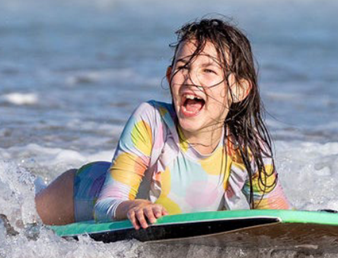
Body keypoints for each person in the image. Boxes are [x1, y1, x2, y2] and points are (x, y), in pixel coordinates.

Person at [36, 18, 292, 229]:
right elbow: (105, 206)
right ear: (170, 77)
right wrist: (133, 206)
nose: (191, 78)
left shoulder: (248, 145)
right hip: (71, 199)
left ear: (239, 89)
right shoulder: (152, 121)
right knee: (18, 228)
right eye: (183, 67)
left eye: (208, 70)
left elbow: (279, 217)